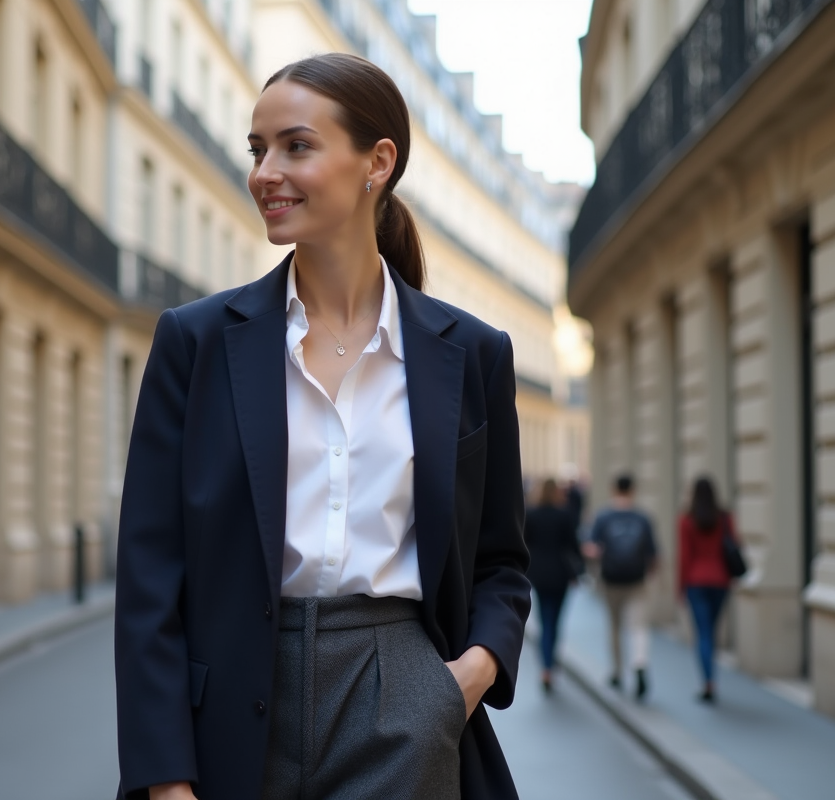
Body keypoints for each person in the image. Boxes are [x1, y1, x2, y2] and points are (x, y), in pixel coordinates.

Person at [113, 53, 531, 800]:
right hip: (236, 707)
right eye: (258, 149)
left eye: (295, 146)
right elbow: (150, 576)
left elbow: (501, 562)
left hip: (402, 698)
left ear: (377, 162)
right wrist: (165, 778)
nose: (264, 172)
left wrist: (465, 679)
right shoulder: (196, 343)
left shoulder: (472, 355)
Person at [584, 474, 657, 700]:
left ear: (613, 489)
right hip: (637, 580)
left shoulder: (604, 516)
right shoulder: (643, 517)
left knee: (615, 626)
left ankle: (617, 672)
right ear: (633, 490)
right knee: (638, 626)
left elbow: (590, 548)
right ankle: (640, 663)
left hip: (611, 579)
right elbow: (653, 554)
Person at [678, 476, 739, 703]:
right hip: (720, 582)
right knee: (711, 632)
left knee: (702, 633)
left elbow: (684, 558)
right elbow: (734, 546)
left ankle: (708, 682)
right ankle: (710, 678)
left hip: (696, 582)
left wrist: (680, 588)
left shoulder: (686, 520)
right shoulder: (724, 518)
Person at [524, 478, 582, 693]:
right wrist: (579, 571)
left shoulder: (531, 513)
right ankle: (550, 662)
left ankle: (546, 666)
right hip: (560, 573)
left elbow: (524, 542)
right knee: (555, 620)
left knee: (544, 619)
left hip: (538, 574)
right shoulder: (564, 514)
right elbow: (573, 545)